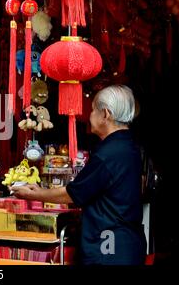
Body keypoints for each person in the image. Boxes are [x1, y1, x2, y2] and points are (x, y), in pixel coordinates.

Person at [10, 85, 146, 265]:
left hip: (110, 244)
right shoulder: (130, 146)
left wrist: (35, 194)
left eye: (92, 110)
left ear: (105, 114)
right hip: (128, 242)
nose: (89, 116)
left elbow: (74, 193)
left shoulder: (109, 153)